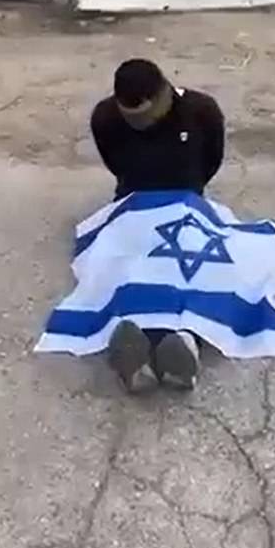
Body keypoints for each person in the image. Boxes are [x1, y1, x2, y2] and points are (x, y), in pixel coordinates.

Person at [90, 58, 226, 392]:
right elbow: (114, 163)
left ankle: (185, 343)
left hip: (186, 204)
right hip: (133, 203)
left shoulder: (201, 112)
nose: (139, 126)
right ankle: (134, 345)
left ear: (164, 94)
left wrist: (190, 191)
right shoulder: (105, 118)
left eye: (146, 116)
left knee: (192, 268)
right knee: (128, 267)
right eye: (130, 118)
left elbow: (212, 159)